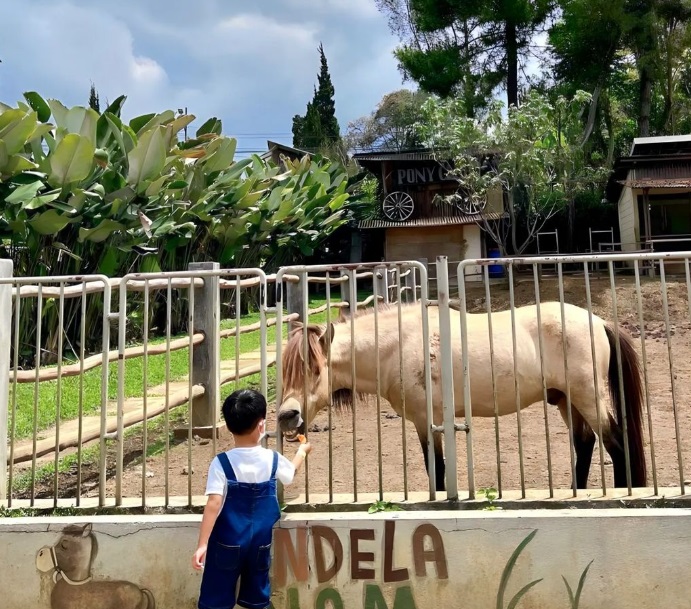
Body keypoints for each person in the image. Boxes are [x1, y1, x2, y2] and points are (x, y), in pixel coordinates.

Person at [192, 389, 311, 609]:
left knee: (215, 600)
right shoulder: (272, 459)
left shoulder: (221, 463)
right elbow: (290, 475)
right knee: (258, 599)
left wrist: (202, 545)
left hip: (226, 543)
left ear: (228, 427)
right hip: (259, 545)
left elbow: (214, 504)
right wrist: (302, 451)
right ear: (262, 426)